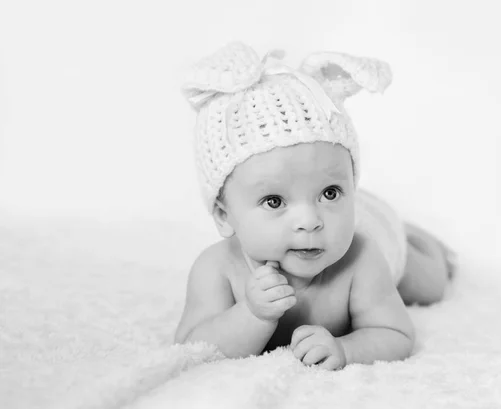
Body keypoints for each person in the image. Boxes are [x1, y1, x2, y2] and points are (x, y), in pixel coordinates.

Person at [174, 42, 456, 370]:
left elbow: (395, 333)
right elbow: (192, 346)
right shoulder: (217, 269)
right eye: (274, 201)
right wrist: (251, 313)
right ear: (224, 216)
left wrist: (346, 349)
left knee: (431, 284)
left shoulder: (363, 257)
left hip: (378, 225)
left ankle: (420, 239)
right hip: (350, 217)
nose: (309, 220)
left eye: (331, 192)